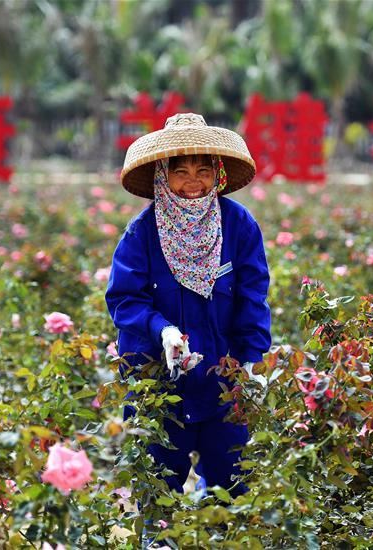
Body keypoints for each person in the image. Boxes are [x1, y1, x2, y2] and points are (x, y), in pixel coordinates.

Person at [105, 112, 272, 498]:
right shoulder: (142, 232)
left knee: (231, 488)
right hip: (159, 381)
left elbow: (253, 295)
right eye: (180, 171)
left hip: (223, 379)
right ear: (163, 176)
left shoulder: (238, 224)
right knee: (158, 487)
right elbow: (124, 298)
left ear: (218, 174)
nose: (192, 182)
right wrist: (160, 329)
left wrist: (251, 361)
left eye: (202, 169)